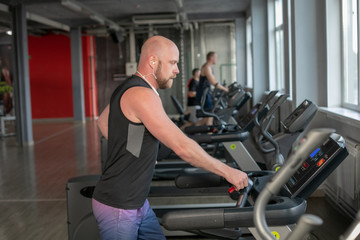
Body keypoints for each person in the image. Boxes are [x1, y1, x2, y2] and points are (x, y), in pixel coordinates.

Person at [93, 36, 248, 240]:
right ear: (153, 61)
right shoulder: (142, 95)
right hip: (119, 206)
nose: (177, 70)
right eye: (173, 63)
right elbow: (183, 147)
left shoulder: (129, 86)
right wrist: (228, 171)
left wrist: (141, 151)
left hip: (138, 202)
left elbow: (103, 122)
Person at [196, 51, 229, 126]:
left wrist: (222, 87)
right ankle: (207, 135)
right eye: (216, 57)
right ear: (211, 58)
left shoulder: (209, 67)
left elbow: (215, 81)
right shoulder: (206, 67)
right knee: (209, 116)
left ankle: (196, 133)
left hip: (206, 93)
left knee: (207, 117)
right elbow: (213, 82)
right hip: (204, 94)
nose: (216, 59)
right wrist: (224, 89)